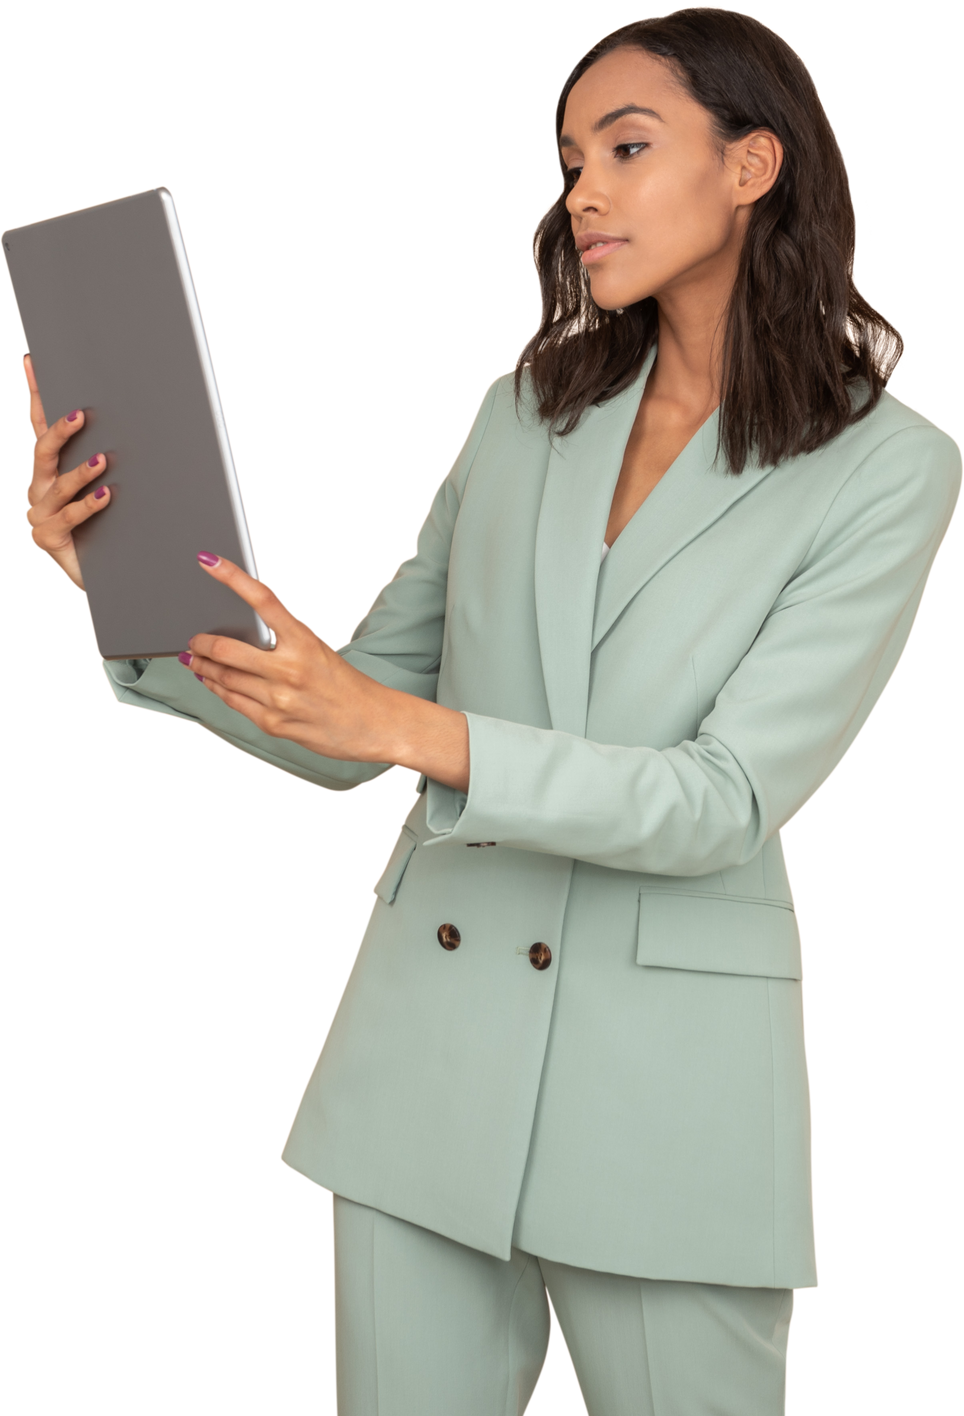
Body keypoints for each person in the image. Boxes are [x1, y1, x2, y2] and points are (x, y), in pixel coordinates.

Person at [23, 9, 960, 1415]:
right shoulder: (532, 408)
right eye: (570, 157)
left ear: (753, 164)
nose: (581, 190)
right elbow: (363, 709)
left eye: (627, 148)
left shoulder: (884, 469)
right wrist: (137, 590)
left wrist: (410, 735)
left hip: (667, 1092)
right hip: (425, 1068)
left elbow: (721, 800)